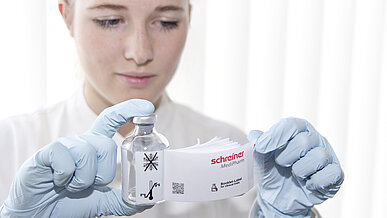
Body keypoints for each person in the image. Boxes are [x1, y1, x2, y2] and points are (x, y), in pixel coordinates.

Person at [0, 0, 344, 217]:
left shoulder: (230, 151)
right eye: (109, 20)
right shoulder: (10, 143)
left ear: (189, 17)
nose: (140, 52)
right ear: (67, 15)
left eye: (166, 22)